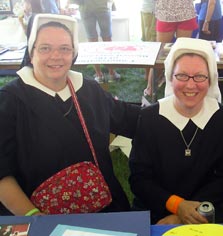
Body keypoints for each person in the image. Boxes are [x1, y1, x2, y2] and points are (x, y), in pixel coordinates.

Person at [0, 14, 140, 216]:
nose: (56, 56)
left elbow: (127, 117)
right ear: (31, 54)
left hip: (100, 205)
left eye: (64, 48)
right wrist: (33, 216)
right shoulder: (10, 100)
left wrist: (173, 107)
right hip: (36, 211)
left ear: (73, 53)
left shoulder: (88, 89)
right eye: (45, 48)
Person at [129, 37, 223, 225]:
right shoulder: (149, 118)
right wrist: (177, 206)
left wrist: (187, 213)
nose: (190, 85)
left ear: (211, 79)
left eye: (200, 76)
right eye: (182, 75)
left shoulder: (221, 119)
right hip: (157, 208)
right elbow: (139, 178)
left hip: (206, 208)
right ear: (170, 78)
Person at [78, 0, 120, 83]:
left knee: (92, 41)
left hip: (86, 7)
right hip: (102, 6)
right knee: (107, 40)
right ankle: (112, 73)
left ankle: (99, 75)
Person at [141, 0, 156, 97]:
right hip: (152, 11)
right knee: (153, 46)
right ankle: (150, 82)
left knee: (149, 44)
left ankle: (148, 76)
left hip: (147, 9)